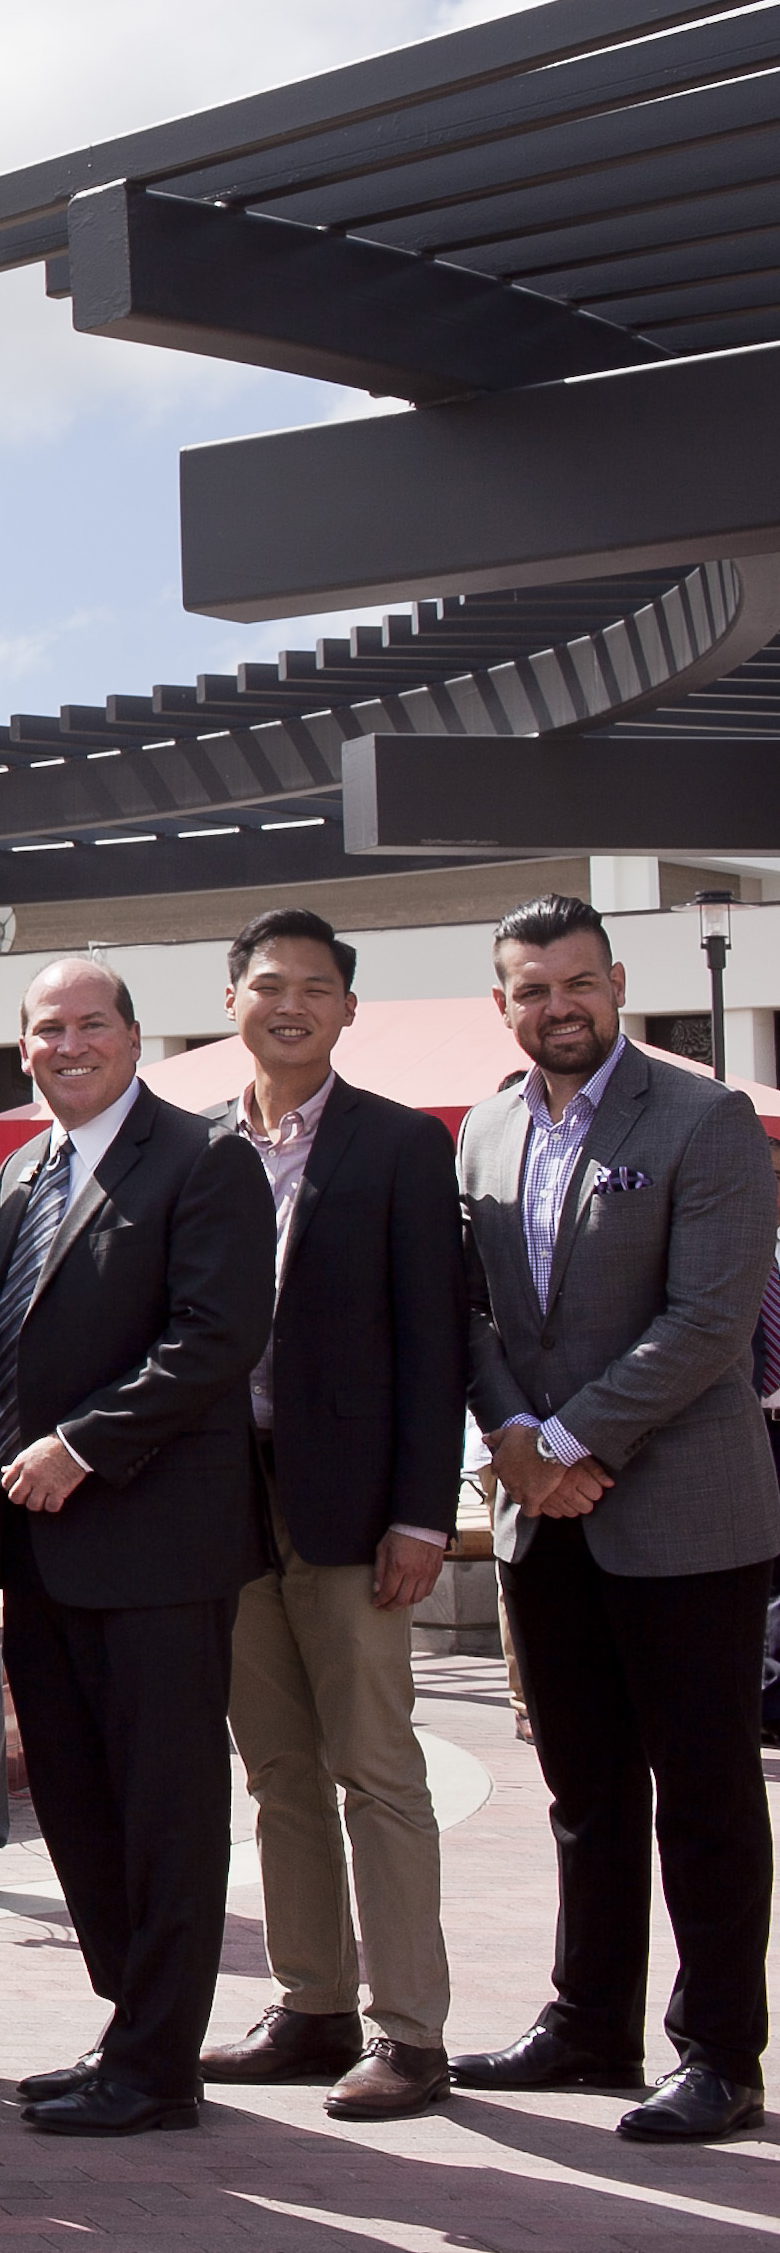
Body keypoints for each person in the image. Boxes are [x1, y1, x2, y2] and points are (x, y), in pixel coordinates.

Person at [448, 895, 780, 2144]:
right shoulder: (480, 1131)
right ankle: (590, 2025)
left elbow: (709, 1318)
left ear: (618, 982)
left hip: (685, 1511)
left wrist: (570, 1443)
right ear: (504, 1004)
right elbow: (469, 1313)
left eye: (577, 983)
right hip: (546, 1516)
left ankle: (720, 2054)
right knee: (582, 1790)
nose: (558, 1007)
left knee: (701, 1791)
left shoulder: (706, 1118)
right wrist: (516, 1446)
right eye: (532, 990)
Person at [0, 956, 273, 2140]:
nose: (68, 1045)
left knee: (165, 1809)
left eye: (90, 1024)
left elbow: (216, 1336)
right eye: (47, 1029)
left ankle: (158, 2066)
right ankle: (129, 2030)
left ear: (135, 1036)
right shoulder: (19, 1174)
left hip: (155, 1545)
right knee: (80, 1807)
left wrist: (79, 1446)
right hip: (40, 1555)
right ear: (22, 1048)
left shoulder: (205, 1160)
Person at [193, 912, 466, 2122]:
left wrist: (421, 1511)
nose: (289, 1003)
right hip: (222, 1504)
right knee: (279, 1770)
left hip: (356, 1512)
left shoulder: (400, 1147)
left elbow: (435, 1342)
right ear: (233, 1002)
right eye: (267, 985)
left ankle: (411, 2034)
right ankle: (312, 2006)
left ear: (348, 1010)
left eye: (316, 987)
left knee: (377, 1766)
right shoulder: (196, 1149)